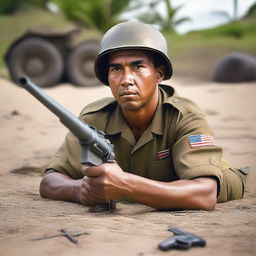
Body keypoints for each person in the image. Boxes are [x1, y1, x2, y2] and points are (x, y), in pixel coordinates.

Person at [39, 21, 248, 211]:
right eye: (116, 69)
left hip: (214, 179)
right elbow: (50, 181)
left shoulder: (183, 116)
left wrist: (125, 185)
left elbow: (205, 194)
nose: (126, 79)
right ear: (108, 77)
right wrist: (80, 190)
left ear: (159, 74)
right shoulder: (94, 118)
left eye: (138, 67)